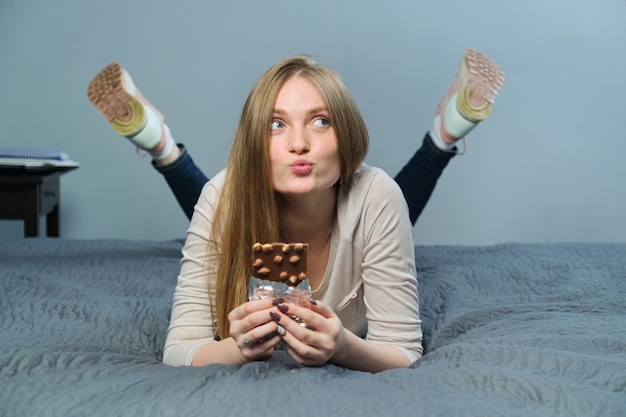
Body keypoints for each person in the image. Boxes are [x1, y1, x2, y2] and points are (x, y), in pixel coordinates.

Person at [87, 51, 503, 372]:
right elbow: (179, 349)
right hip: (235, 193)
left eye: (321, 121)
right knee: (225, 198)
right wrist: (236, 349)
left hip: (362, 200)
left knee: (377, 197)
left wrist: (344, 348)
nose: (298, 143)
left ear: (346, 133)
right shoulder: (222, 195)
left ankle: (444, 133)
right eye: (276, 124)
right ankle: (160, 143)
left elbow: (404, 349)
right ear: (255, 137)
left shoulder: (375, 195)